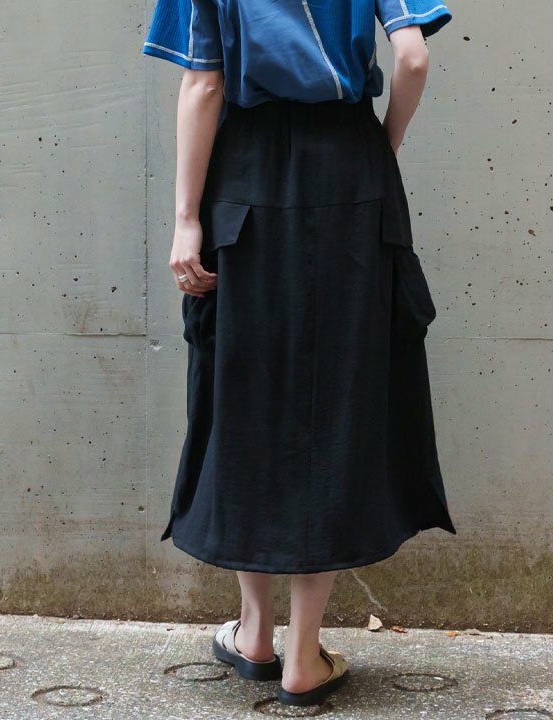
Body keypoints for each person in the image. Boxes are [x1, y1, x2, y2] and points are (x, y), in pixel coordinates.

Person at [142, 0, 457, 707]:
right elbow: (412, 57)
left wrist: (186, 219)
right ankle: (304, 656)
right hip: (351, 168)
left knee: (245, 397)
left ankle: (255, 635)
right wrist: (382, 145)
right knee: (336, 401)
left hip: (246, 173)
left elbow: (204, 81)